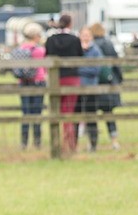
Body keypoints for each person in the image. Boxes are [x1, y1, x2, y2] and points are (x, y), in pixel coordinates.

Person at [44, 13, 83, 153]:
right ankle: (69, 144)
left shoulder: (50, 39)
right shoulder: (74, 39)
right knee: (69, 112)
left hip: (56, 79)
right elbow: (80, 57)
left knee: (56, 111)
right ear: (70, 24)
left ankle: (58, 143)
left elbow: (46, 56)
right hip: (72, 78)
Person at [10, 23, 47, 149]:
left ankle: (24, 142)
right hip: (38, 82)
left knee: (25, 112)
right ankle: (37, 141)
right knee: (37, 112)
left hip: (23, 83)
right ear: (35, 35)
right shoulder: (39, 50)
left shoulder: (20, 49)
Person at [90, 21, 122, 149]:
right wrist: (119, 79)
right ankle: (114, 141)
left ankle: (92, 143)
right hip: (108, 84)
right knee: (109, 113)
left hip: (94, 83)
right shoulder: (108, 43)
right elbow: (116, 63)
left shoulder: (91, 45)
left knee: (92, 114)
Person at [76, 27, 103, 151]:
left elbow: (96, 70)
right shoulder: (76, 51)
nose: (85, 37)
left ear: (91, 37)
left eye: (88, 35)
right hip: (77, 89)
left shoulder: (96, 51)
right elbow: (73, 68)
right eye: (83, 35)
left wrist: (81, 69)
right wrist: (85, 69)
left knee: (91, 117)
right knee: (75, 117)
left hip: (91, 88)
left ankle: (93, 144)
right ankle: (73, 144)